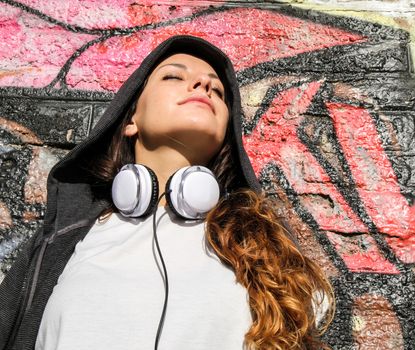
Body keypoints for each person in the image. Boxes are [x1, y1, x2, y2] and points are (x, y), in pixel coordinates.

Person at [0, 35, 334, 349]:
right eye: (174, 77)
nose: (204, 85)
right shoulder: (62, 241)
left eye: (217, 91)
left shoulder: (261, 246)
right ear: (131, 118)